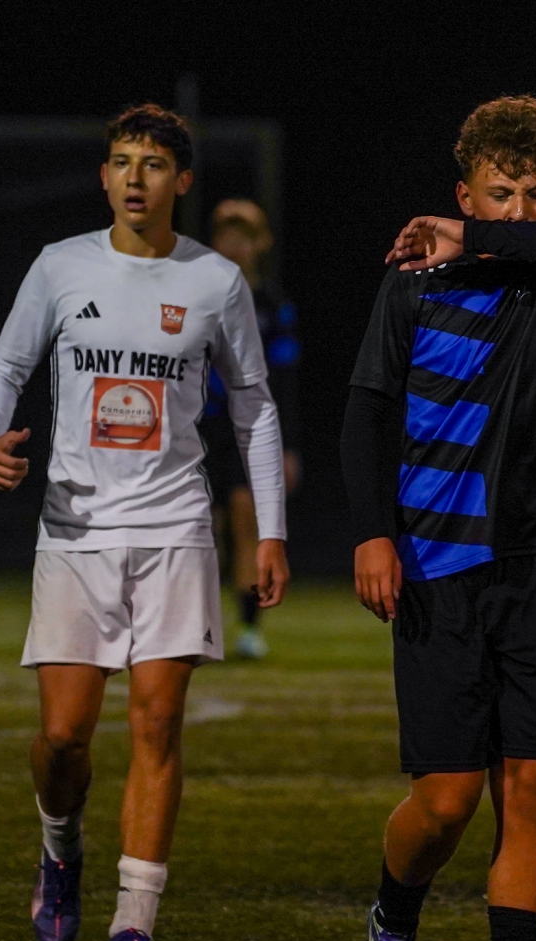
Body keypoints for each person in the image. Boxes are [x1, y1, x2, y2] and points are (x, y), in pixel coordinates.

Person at [0, 103, 289, 941]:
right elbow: (4, 369)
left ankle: (134, 924)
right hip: (76, 531)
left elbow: (255, 407)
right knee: (64, 738)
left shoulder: (216, 281)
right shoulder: (60, 266)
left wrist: (270, 530)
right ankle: (59, 848)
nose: (134, 178)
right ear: (104, 176)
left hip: (176, 528)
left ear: (182, 180)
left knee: (157, 722)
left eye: (152, 164)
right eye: (121, 162)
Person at [341, 95, 536, 941]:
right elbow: (366, 414)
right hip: (438, 561)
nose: (520, 209)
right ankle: (393, 916)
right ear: (465, 193)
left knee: (529, 783)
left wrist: (480, 236)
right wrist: (373, 537)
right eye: (501, 193)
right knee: (449, 801)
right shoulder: (414, 282)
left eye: (535, 193)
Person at [200, 199, 302, 659]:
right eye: (227, 235)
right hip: (202, 428)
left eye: (244, 236)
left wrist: (288, 446)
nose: (234, 245)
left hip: (251, 430)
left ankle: (248, 627)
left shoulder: (272, 305)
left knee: (246, 520)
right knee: (204, 527)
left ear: (261, 243)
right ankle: (200, 623)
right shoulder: (198, 295)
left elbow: (285, 379)